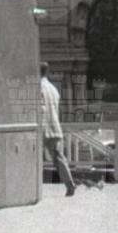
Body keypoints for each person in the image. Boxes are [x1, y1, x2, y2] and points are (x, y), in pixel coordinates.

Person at [40, 65, 75, 198]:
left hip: (42, 128)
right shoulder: (53, 88)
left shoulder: (37, 87)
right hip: (54, 127)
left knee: (32, 157)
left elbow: (40, 108)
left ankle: (30, 188)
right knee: (59, 157)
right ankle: (70, 184)